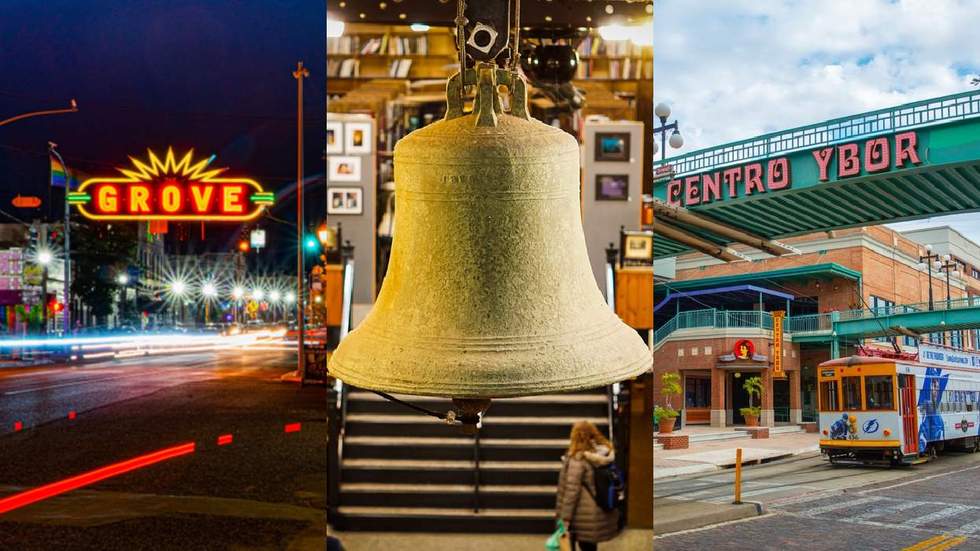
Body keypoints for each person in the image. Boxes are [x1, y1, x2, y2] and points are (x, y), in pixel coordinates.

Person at [555, 421, 620, 550]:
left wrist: (565, 519)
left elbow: (571, 492)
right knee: (590, 547)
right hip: (598, 509)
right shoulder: (605, 452)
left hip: (581, 513)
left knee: (578, 545)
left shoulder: (578, 459)